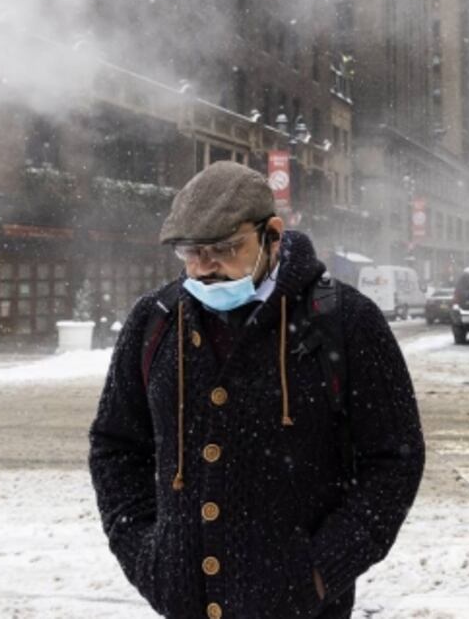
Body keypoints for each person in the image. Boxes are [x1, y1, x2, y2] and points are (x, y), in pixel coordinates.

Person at [88, 161, 425, 619]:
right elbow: (116, 446)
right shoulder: (155, 321)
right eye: (190, 251)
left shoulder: (346, 320)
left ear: (273, 234)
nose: (204, 267)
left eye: (225, 248)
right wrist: (145, 554)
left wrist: (321, 572)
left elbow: (394, 460)